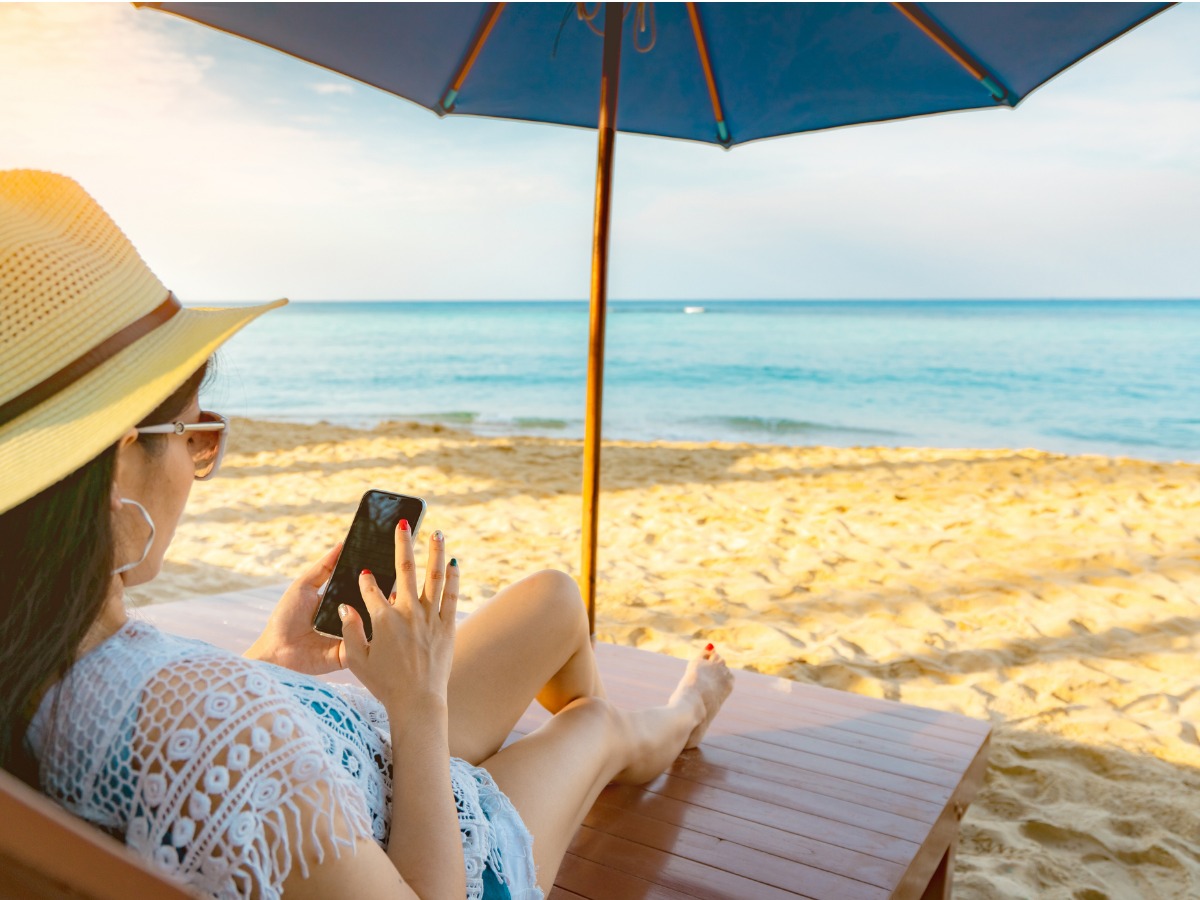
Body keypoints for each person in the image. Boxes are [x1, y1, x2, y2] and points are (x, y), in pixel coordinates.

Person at [0, 170, 733, 900]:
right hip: (437, 838)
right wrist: (418, 705)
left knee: (553, 600)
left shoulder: (41, 661)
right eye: (197, 433)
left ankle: (627, 744)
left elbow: (211, 767)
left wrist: (272, 660)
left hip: (345, 762)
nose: (199, 465)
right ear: (121, 463)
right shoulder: (206, 717)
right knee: (595, 723)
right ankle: (685, 711)